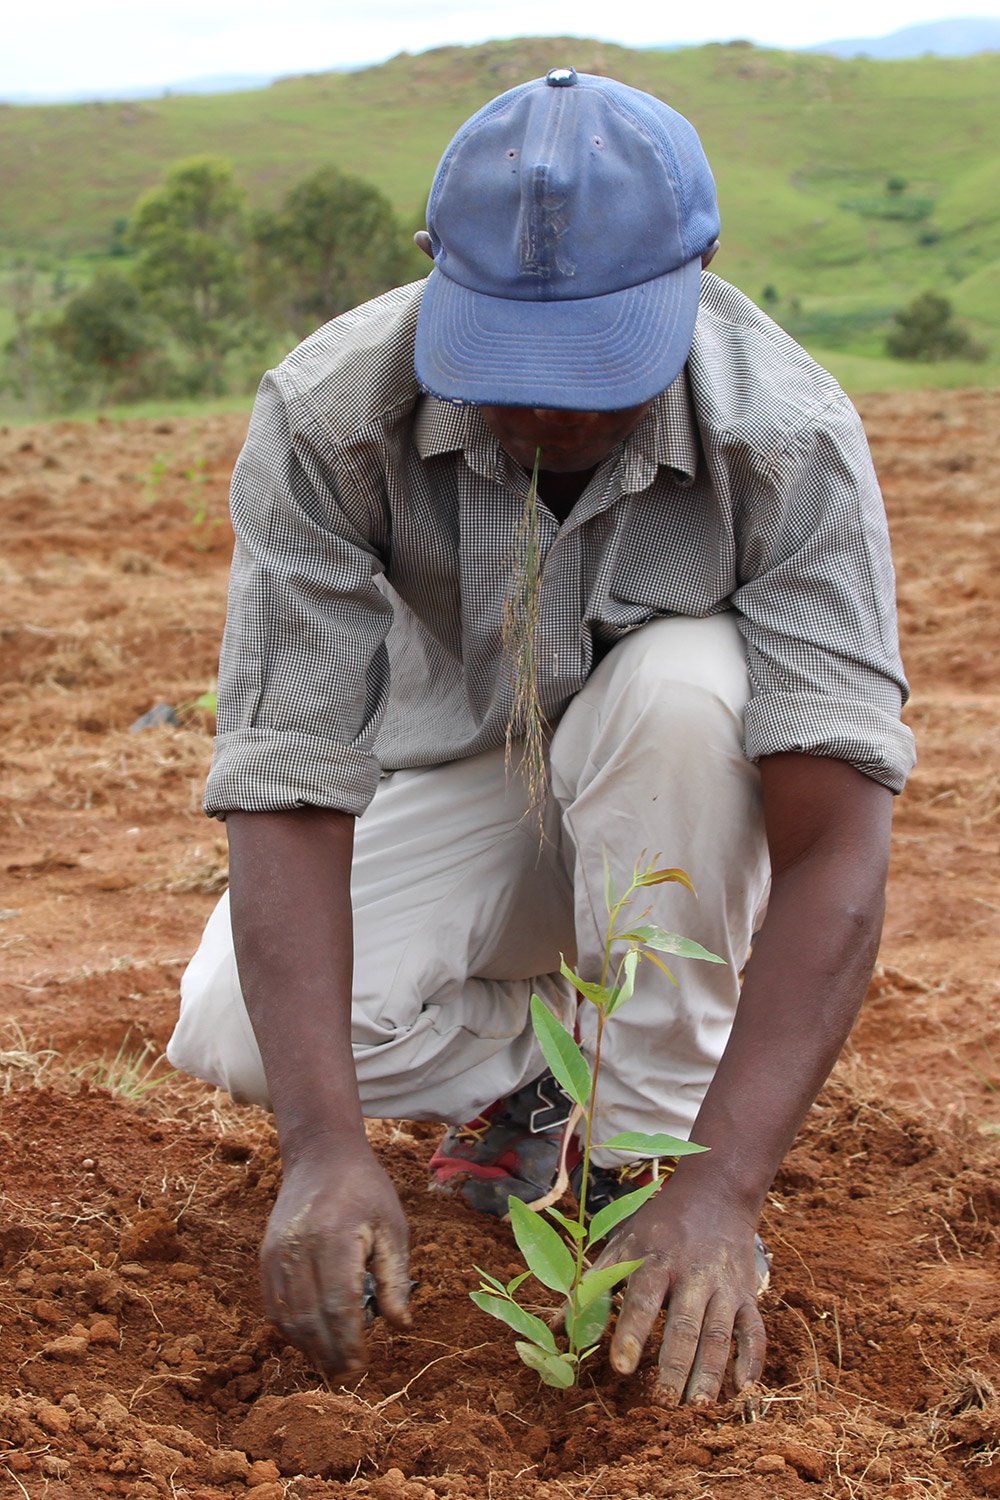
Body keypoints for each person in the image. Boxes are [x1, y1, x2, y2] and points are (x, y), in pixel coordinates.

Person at [167, 67, 915, 1405]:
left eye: (593, 364)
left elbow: (834, 844)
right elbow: (288, 784)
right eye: (508, 357)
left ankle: (642, 1154)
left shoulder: (786, 439)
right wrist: (325, 1148)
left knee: (684, 690)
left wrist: (726, 1184)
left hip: (681, 813)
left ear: (696, 278)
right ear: (434, 275)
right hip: (469, 780)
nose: (547, 409)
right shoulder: (334, 416)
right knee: (235, 1031)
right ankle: (534, 1073)